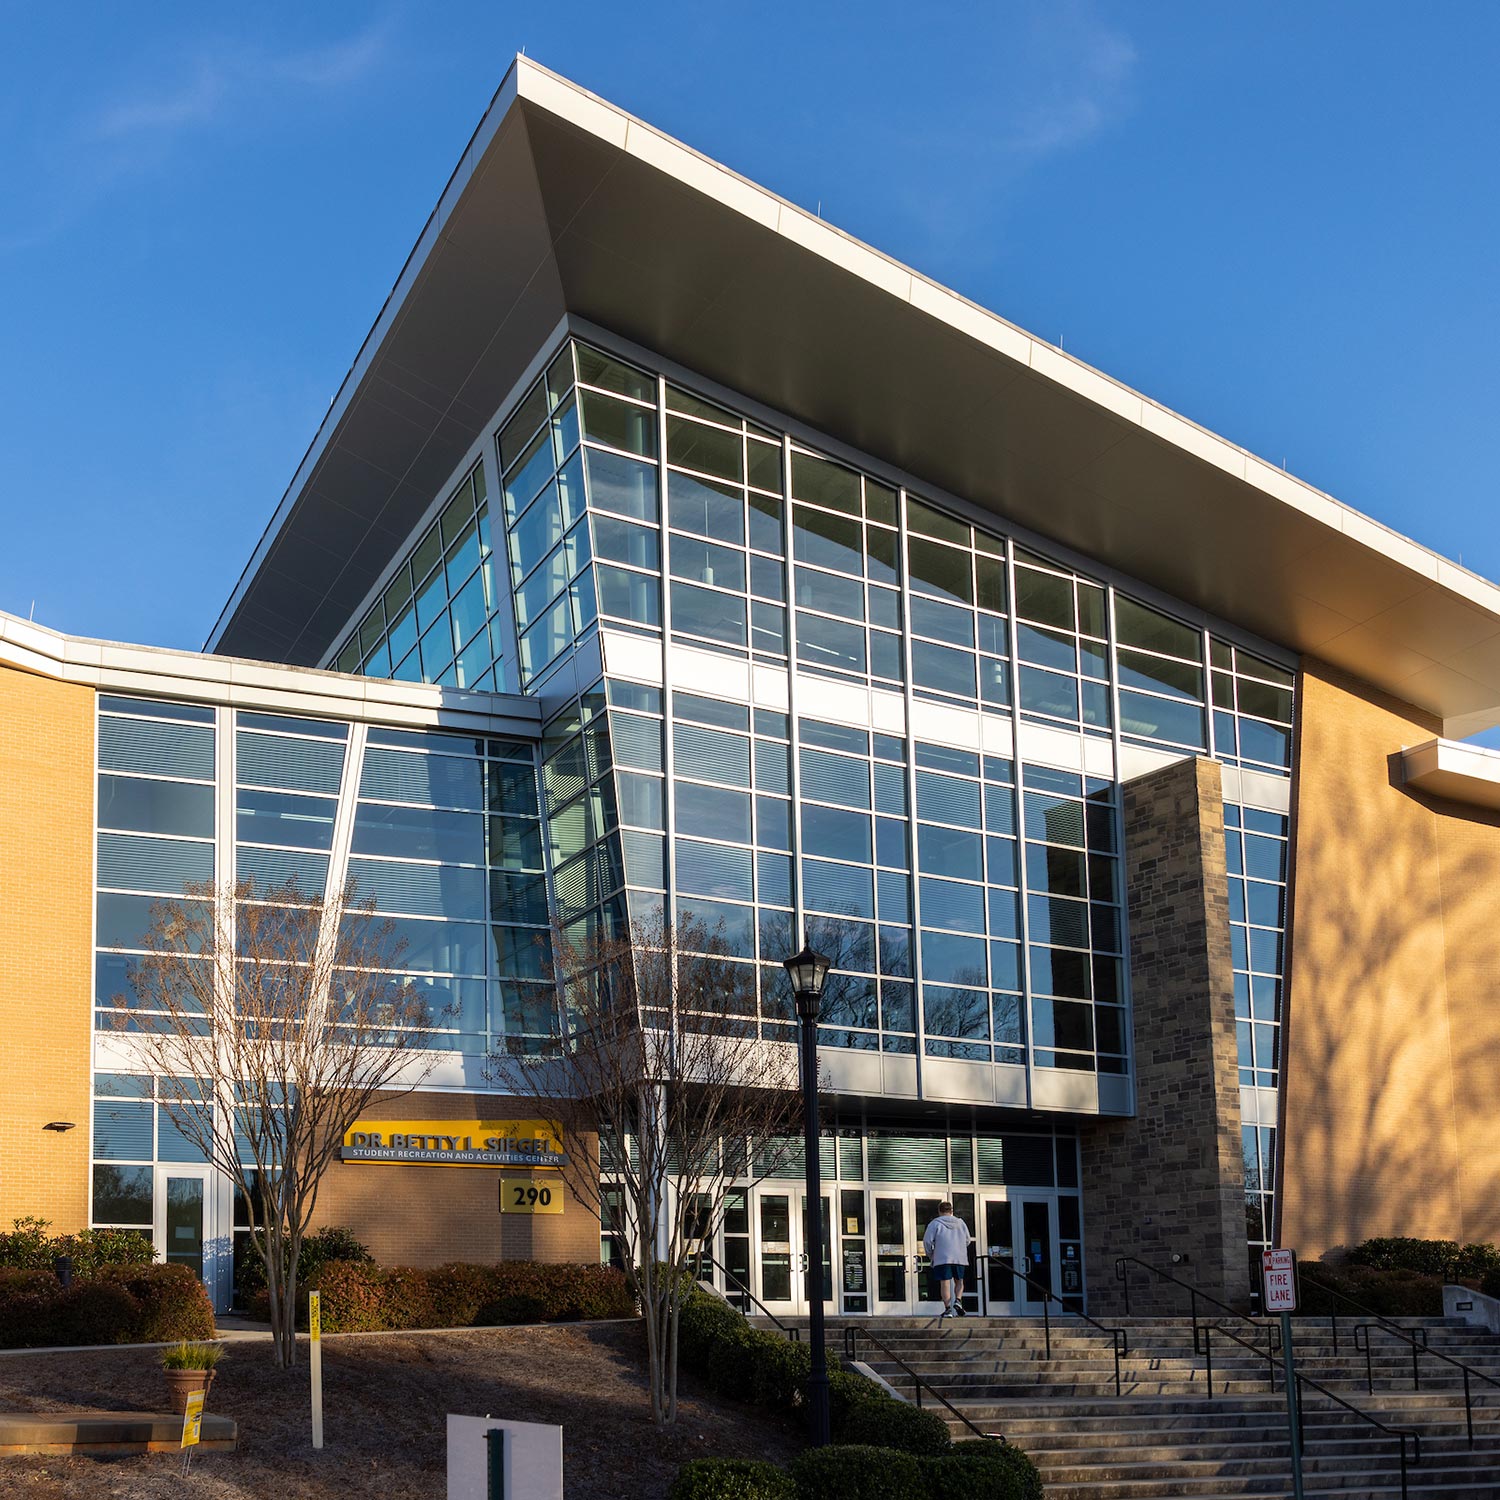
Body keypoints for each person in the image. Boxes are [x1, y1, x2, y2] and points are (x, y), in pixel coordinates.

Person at [922, 1201, 972, 1318]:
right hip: (959, 1257)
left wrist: (931, 1254)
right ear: (951, 1211)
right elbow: (968, 1240)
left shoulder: (935, 1224)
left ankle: (948, 1309)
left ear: (939, 1211)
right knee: (959, 1281)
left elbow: (927, 1241)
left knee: (944, 1282)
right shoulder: (961, 1223)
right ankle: (958, 1300)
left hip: (942, 1257)